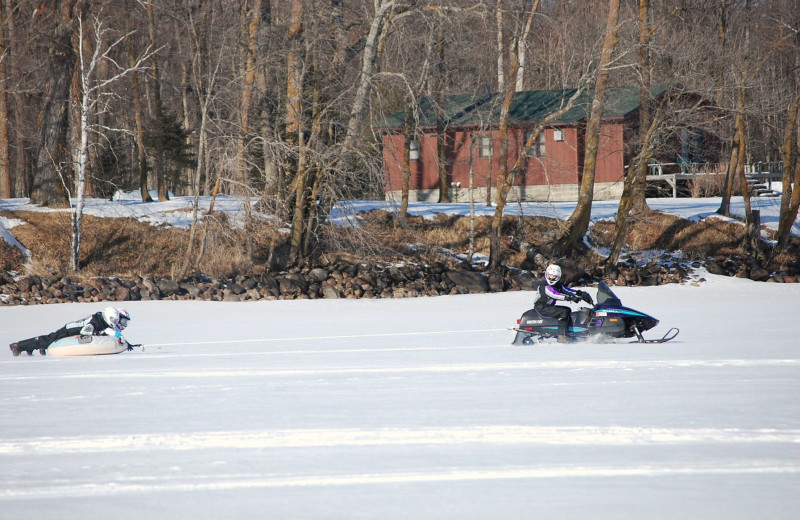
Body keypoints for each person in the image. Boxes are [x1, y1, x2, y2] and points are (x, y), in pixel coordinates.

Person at [9, 307, 133, 356]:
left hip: (74, 329)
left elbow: (110, 331)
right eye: (122, 321)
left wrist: (126, 342)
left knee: (48, 341)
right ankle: (19, 345)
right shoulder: (96, 322)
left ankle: (37, 348)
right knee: (48, 339)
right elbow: (87, 333)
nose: (122, 324)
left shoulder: (102, 320)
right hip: (69, 330)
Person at [532, 264, 593, 343]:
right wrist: (569, 298)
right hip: (541, 306)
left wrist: (579, 293)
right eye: (550, 275)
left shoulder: (557, 285)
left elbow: (566, 290)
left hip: (548, 306)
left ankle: (570, 332)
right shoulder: (544, 285)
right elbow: (554, 294)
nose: (551, 278)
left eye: (554, 276)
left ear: (558, 277)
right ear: (546, 274)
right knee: (563, 312)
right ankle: (562, 335)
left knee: (567, 309)